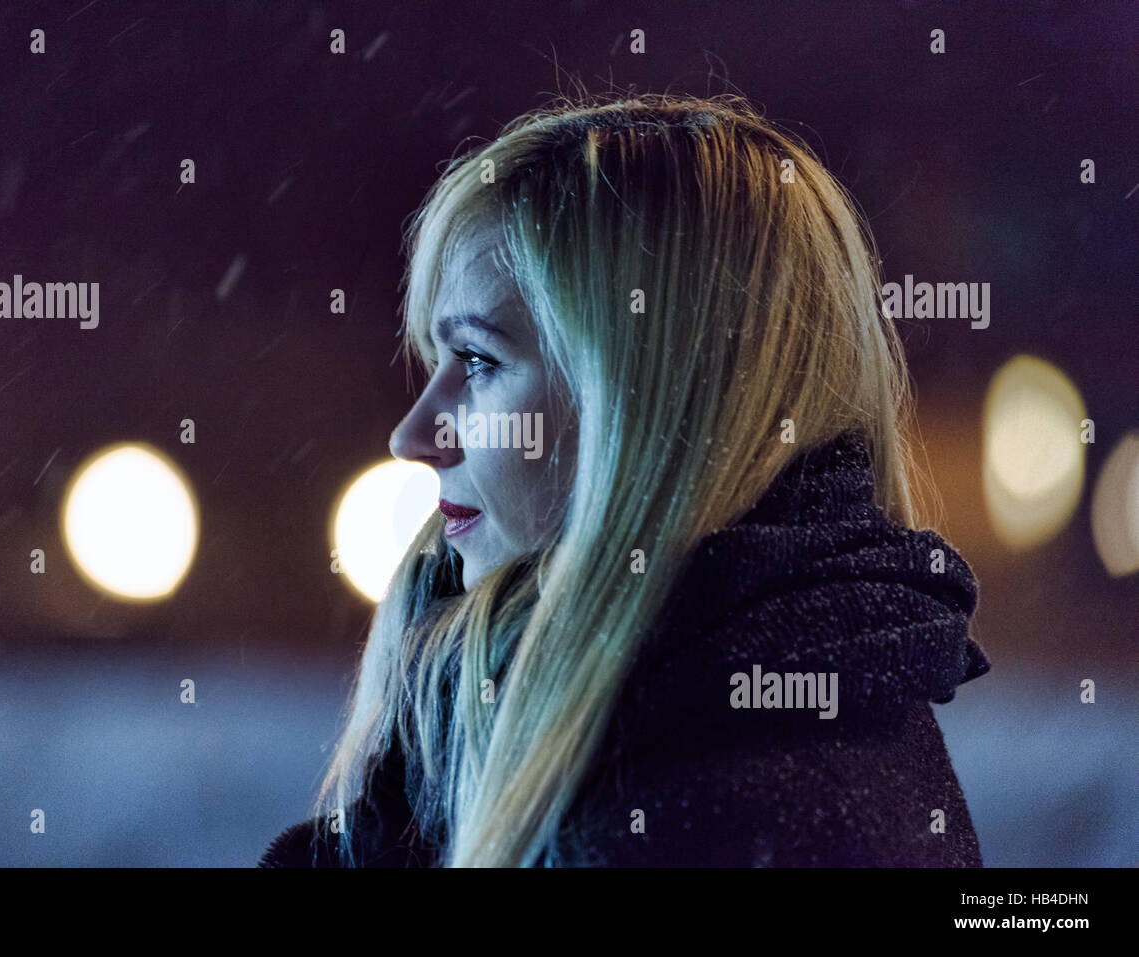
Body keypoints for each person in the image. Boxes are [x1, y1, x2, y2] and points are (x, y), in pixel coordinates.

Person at [259, 92, 991, 867]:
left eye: (478, 360)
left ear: (652, 399)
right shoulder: (703, 733)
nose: (412, 435)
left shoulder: (716, 818)